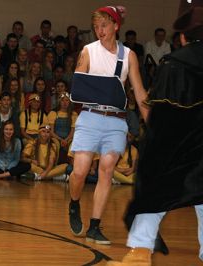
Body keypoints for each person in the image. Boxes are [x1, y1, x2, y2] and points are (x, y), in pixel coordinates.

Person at [107, 1, 203, 264]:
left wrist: (149, 152)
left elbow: (162, 119)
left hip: (183, 152)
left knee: (154, 194)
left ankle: (138, 256)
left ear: (183, 37)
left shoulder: (175, 65)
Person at [68, 5, 149, 245]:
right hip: (89, 117)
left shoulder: (129, 55)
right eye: (96, 27)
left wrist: (151, 123)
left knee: (106, 170)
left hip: (116, 121)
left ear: (116, 26)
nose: (99, 30)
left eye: (103, 25)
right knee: (80, 172)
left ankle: (94, 226)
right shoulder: (88, 51)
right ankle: (74, 203)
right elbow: (77, 85)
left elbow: (140, 92)